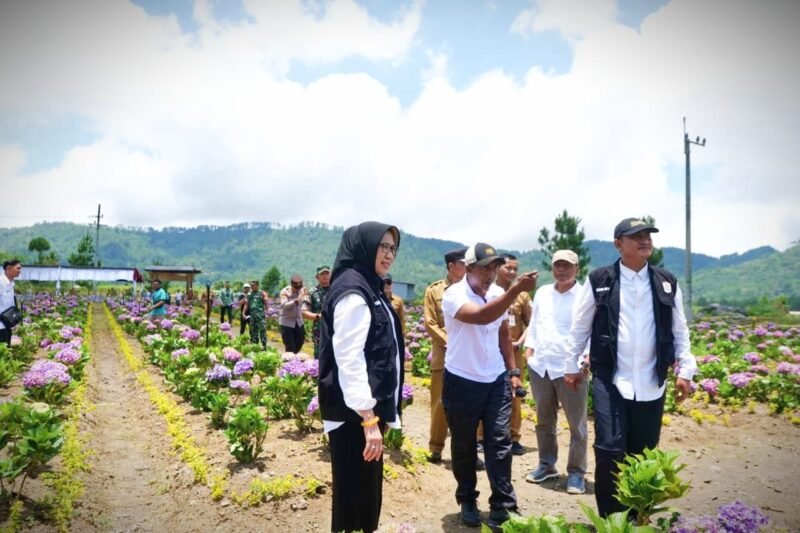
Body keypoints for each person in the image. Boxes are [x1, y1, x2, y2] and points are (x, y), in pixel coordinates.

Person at [564, 218, 697, 517]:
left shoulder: (666, 281)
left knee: (644, 453)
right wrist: (571, 365)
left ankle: (638, 517)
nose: (644, 240)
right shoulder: (600, 279)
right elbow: (580, 327)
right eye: (635, 236)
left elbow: (680, 329)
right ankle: (612, 520)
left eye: (647, 235)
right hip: (611, 378)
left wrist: (685, 371)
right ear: (618, 244)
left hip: (652, 381)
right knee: (610, 449)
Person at [441, 243, 538, 528]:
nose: (491, 274)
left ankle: (503, 505)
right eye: (485, 268)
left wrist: (513, 371)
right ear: (468, 268)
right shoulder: (454, 295)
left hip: (495, 379)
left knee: (499, 443)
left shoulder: (497, 293)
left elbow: (503, 334)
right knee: (464, 445)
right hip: (462, 380)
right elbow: (481, 316)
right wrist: (515, 291)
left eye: (495, 267)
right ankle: (467, 498)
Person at [318, 221, 405, 533]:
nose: (389, 254)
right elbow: (349, 358)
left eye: (393, 248)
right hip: (355, 416)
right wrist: (369, 420)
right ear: (364, 247)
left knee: (363, 496)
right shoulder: (354, 291)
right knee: (355, 500)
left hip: (362, 414)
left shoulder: (368, 285)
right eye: (383, 246)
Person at [523, 249, 589, 495]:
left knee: (577, 425)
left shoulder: (584, 295)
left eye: (567, 266)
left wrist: (585, 361)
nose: (561, 270)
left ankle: (576, 473)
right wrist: (529, 350)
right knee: (544, 421)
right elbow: (535, 324)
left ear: (577, 269)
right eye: (557, 265)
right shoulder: (542, 293)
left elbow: (590, 330)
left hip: (570, 368)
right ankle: (547, 464)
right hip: (541, 365)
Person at [423, 247, 467, 464]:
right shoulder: (435, 291)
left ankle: (467, 452)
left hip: (469, 357)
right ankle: (436, 448)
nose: (468, 267)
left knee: (469, 406)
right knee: (440, 404)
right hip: (444, 355)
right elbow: (430, 323)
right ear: (451, 266)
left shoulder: (474, 289)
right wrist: (451, 342)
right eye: (463, 263)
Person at [494, 253, 532, 456]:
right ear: (498, 267)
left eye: (515, 268)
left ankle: (514, 436)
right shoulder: (489, 290)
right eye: (507, 267)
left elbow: (532, 323)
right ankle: (482, 436)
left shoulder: (522, 295)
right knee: (487, 392)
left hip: (514, 352)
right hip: (491, 352)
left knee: (515, 394)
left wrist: (521, 341)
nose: (512, 271)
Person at [302, 265, 331, 358]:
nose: (325, 276)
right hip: (320, 330)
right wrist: (318, 316)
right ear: (317, 277)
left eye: (327, 273)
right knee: (320, 358)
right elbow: (303, 312)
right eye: (322, 274)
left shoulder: (338, 289)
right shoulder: (312, 293)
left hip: (337, 329)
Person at [279, 274, 307, 353]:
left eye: (299, 287)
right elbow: (284, 306)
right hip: (287, 323)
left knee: (300, 343)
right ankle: (290, 359)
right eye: (296, 287)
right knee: (290, 347)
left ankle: (294, 358)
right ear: (291, 284)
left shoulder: (303, 291)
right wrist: (296, 300)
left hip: (299, 322)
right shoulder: (285, 291)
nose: (297, 289)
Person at [0, 259, 22, 347]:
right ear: (8, 268)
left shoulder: (11, 283)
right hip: (0, 326)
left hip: (6, 325)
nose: (20, 271)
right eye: (18, 268)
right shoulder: (1, 282)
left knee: (6, 350)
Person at [244, 280, 269, 348]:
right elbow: (247, 304)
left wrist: (267, 312)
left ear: (257, 285)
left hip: (260, 315)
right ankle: (255, 345)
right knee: (253, 330)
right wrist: (243, 313)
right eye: (251, 285)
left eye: (253, 285)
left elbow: (266, 303)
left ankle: (264, 345)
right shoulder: (249, 294)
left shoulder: (262, 293)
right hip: (252, 315)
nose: (252, 287)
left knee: (262, 330)